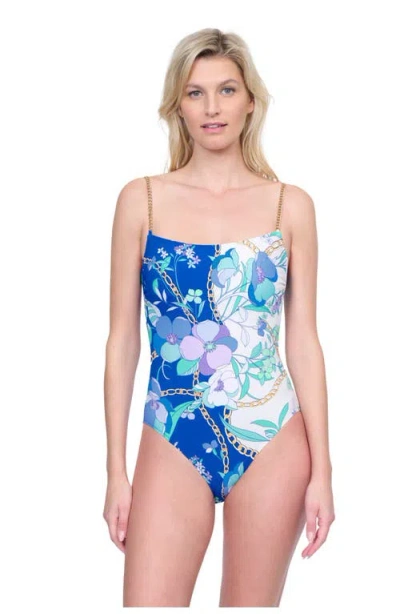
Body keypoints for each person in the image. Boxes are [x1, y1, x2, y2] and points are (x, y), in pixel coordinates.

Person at [103, 28, 335, 607]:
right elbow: (122, 341)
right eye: (195, 93)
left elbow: (304, 341)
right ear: (177, 106)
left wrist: (324, 473)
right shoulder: (141, 200)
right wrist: (115, 471)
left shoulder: (290, 206)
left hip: (273, 436)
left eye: (227, 90)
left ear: (250, 100)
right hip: (173, 431)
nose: (212, 107)